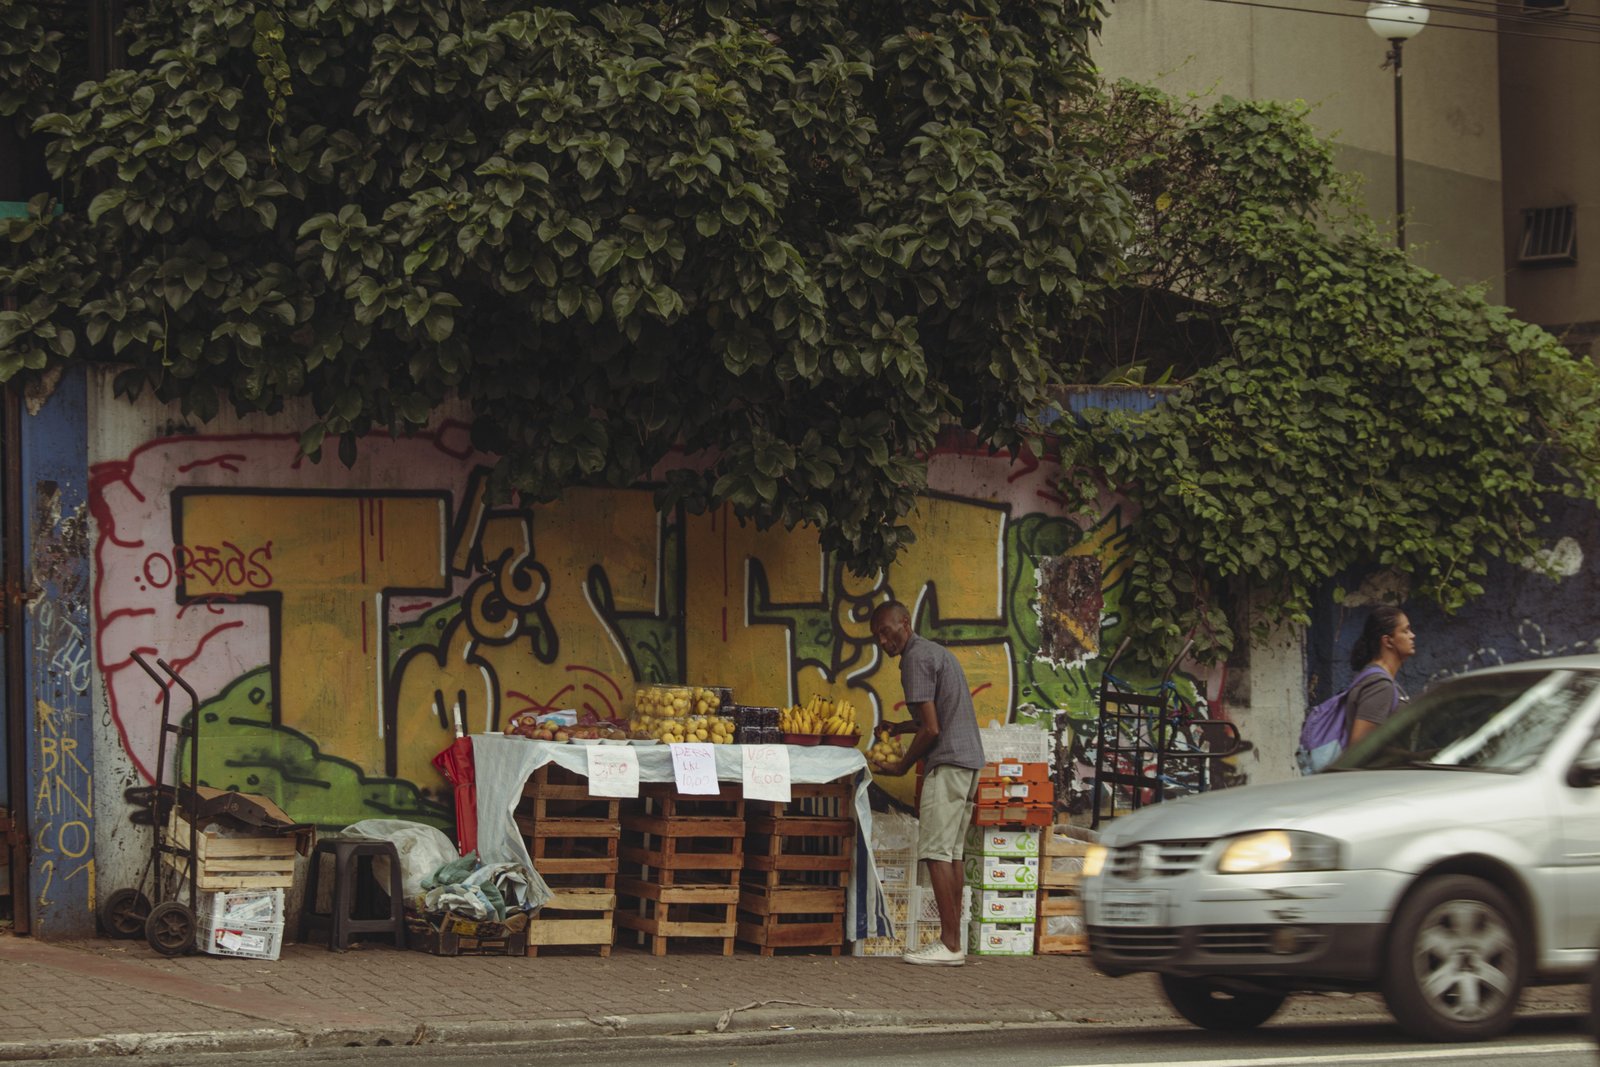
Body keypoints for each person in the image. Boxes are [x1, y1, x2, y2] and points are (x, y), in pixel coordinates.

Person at [867, 600, 985, 966]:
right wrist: (899, 727)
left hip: (947, 763)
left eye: (887, 631)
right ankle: (953, 941)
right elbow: (935, 715)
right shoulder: (935, 653)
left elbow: (932, 728)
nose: (884, 641)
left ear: (906, 622)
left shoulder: (914, 659)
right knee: (951, 853)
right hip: (969, 762)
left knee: (935, 852)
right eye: (878, 637)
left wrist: (902, 765)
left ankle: (949, 945)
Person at [1346, 606, 1415, 745]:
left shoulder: (1378, 679)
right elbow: (1359, 749)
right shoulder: (1380, 686)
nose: (1412, 635)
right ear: (1388, 641)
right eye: (1405, 630)